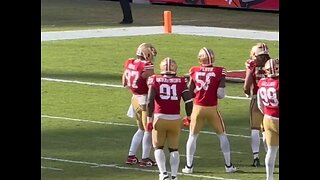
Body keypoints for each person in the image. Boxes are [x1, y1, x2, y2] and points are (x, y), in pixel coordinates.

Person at [182, 47, 237, 174]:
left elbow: (189, 93)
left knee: (192, 137)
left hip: (198, 108)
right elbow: (220, 94)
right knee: (222, 136)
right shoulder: (219, 71)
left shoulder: (194, 70)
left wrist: (198, 91)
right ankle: (228, 166)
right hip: (212, 109)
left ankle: (189, 167)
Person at [146, 57, 193, 180]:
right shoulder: (181, 81)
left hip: (159, 117)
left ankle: (163, 174)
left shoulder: (154, 79)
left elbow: (150, 101)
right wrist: (188, 117)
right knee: (174, 149)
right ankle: (174, 175)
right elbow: (188, 101)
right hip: (175, 119)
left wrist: (149, 120)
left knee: (158, 147)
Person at [122, 44, 156, 167]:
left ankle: (131, 156)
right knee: (148, 129)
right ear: (146, 54)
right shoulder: (146, 66)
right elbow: (151, 84)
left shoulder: (129, 62)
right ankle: (145, 158)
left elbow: (124, 83)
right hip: (144, 100)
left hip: (134, 99)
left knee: (141, 129)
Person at [243, 42, 270, 167]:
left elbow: (246, 86)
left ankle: (256, 157)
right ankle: (270, 154)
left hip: (257, 98)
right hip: (271, 100)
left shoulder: (252, 65)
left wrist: (248, 93)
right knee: (267, 129)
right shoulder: (273, 64)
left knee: (255, 129)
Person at [257, 58, 279, 180]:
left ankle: (269, 177)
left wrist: (267, 114)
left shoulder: (262, 82)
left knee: (271, 150)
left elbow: (260, 104)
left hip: (267, 118)